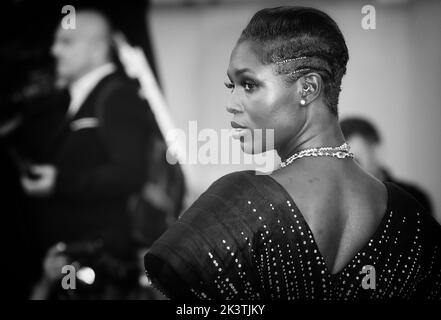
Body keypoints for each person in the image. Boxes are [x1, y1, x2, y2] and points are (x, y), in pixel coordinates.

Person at [144, 6, 441, 300]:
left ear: (308, 88)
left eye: (248, 84)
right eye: (230, 85)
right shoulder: (411, 219)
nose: (231, 103)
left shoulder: (242, 202)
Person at [18, 9, 161, 292]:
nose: (54, 50)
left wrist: (58, 182)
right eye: (55, 42)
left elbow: (130, 174)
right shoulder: (74, 100)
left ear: (97, 48)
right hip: (76, 258)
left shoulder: (117, 96)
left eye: (67, 42)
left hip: (101, 261)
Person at [340, 117, 433, 216]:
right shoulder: (335, 200)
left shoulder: (413, 198)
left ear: (377, 151)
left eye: (357, 161)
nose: (349, 170)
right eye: (342, 162)